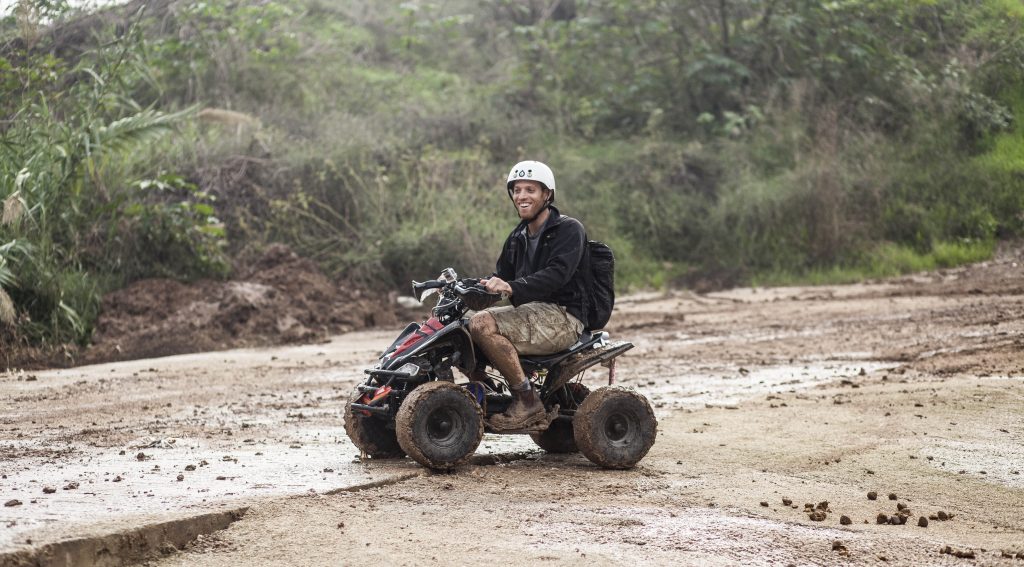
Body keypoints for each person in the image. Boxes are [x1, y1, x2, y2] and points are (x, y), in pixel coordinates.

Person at [469, 160, 588, 431]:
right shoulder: (518, 236)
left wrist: (513, 287)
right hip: (532, 312)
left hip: (563, 316)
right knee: (458, 326)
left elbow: (558, 273)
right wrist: (459, 284)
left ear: (547, 194)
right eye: (517, 190)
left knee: (481, 324)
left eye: (530, 190)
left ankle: (527, 400)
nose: (522, 196)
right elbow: (500, 275)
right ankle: (485, 391)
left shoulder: (569, 230)